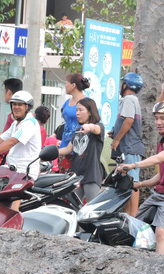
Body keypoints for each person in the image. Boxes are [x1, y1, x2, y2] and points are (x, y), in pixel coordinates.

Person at [0, 91, 41, 210]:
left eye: (20, 105)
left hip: (24, 172)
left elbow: (12, 141)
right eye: (14, 104)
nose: (16, 107)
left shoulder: (29, 124)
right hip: (12, 169)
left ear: (28, 107)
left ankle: (14, 226)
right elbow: (0, 139)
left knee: (12, 209)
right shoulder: (16, 124)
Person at [117, 101, 164, 254]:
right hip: (157, 195)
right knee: (137, 223)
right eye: (156, 118)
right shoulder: (161, 142)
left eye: (162, 118)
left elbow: (157, 159)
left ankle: (158, 271)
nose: (158, 122)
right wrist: (140, 184)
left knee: (160, 233)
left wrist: (132, 165)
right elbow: (160, 176)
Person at [110, 72, 145, 216]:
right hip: (129, 149)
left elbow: (129, 120)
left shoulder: (128, 99)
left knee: (132, 182)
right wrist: (115, 131)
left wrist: (117, 139)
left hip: (130, 149)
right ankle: (128, 215)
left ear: (126, 85)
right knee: (127, 183)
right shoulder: (132, 100)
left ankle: (133, 217)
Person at [59, 98, 105, 203]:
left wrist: (89, 127)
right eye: (76, 110)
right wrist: (51, 151)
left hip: (91, 175)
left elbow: (96, 129)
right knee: (73, 208)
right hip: (76, 176)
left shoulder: (99, 127)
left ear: (90, 112)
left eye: (81, 110)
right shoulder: (77, 131)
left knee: (90, 210)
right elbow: (68, 149)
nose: (77, 113)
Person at [60, 73, 90, 149]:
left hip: (79, 144)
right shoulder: (67, 102)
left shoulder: (88, 102)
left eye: (67, 83)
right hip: (65, 143)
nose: (65, 85)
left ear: (73, 85)